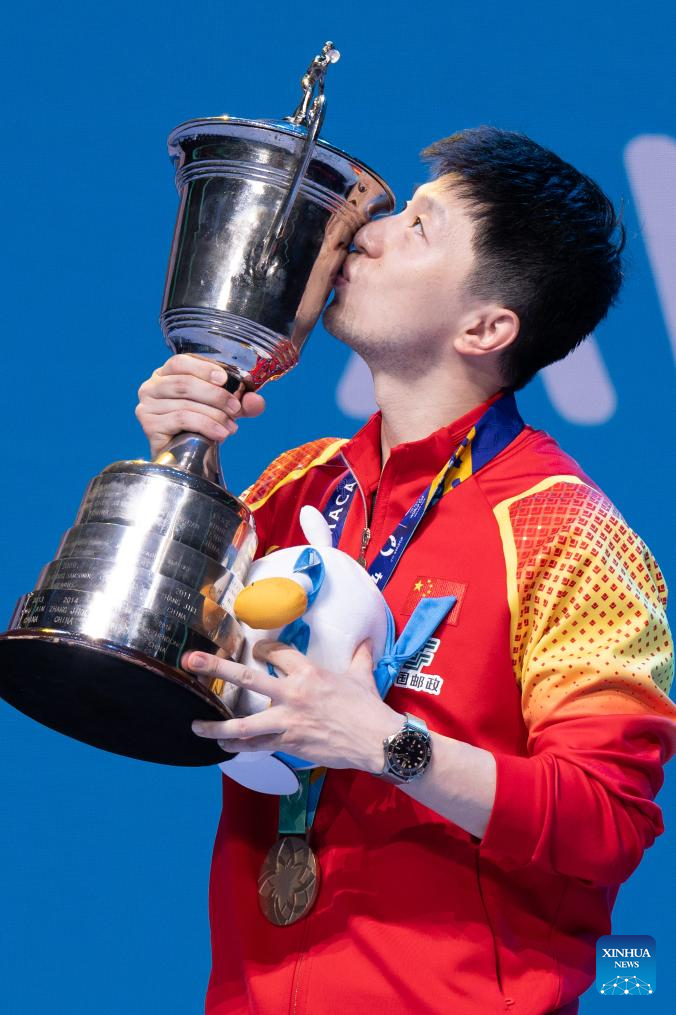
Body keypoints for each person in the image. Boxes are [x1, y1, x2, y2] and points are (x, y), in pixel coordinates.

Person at [136, 127, 676, 1014]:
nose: (367, 232)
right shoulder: (296, 484)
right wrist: (179, 461)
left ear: (486, 326)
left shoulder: (567, 533)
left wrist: (388, 744)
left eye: (418, 226)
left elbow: (606, 822)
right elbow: (164, 675)